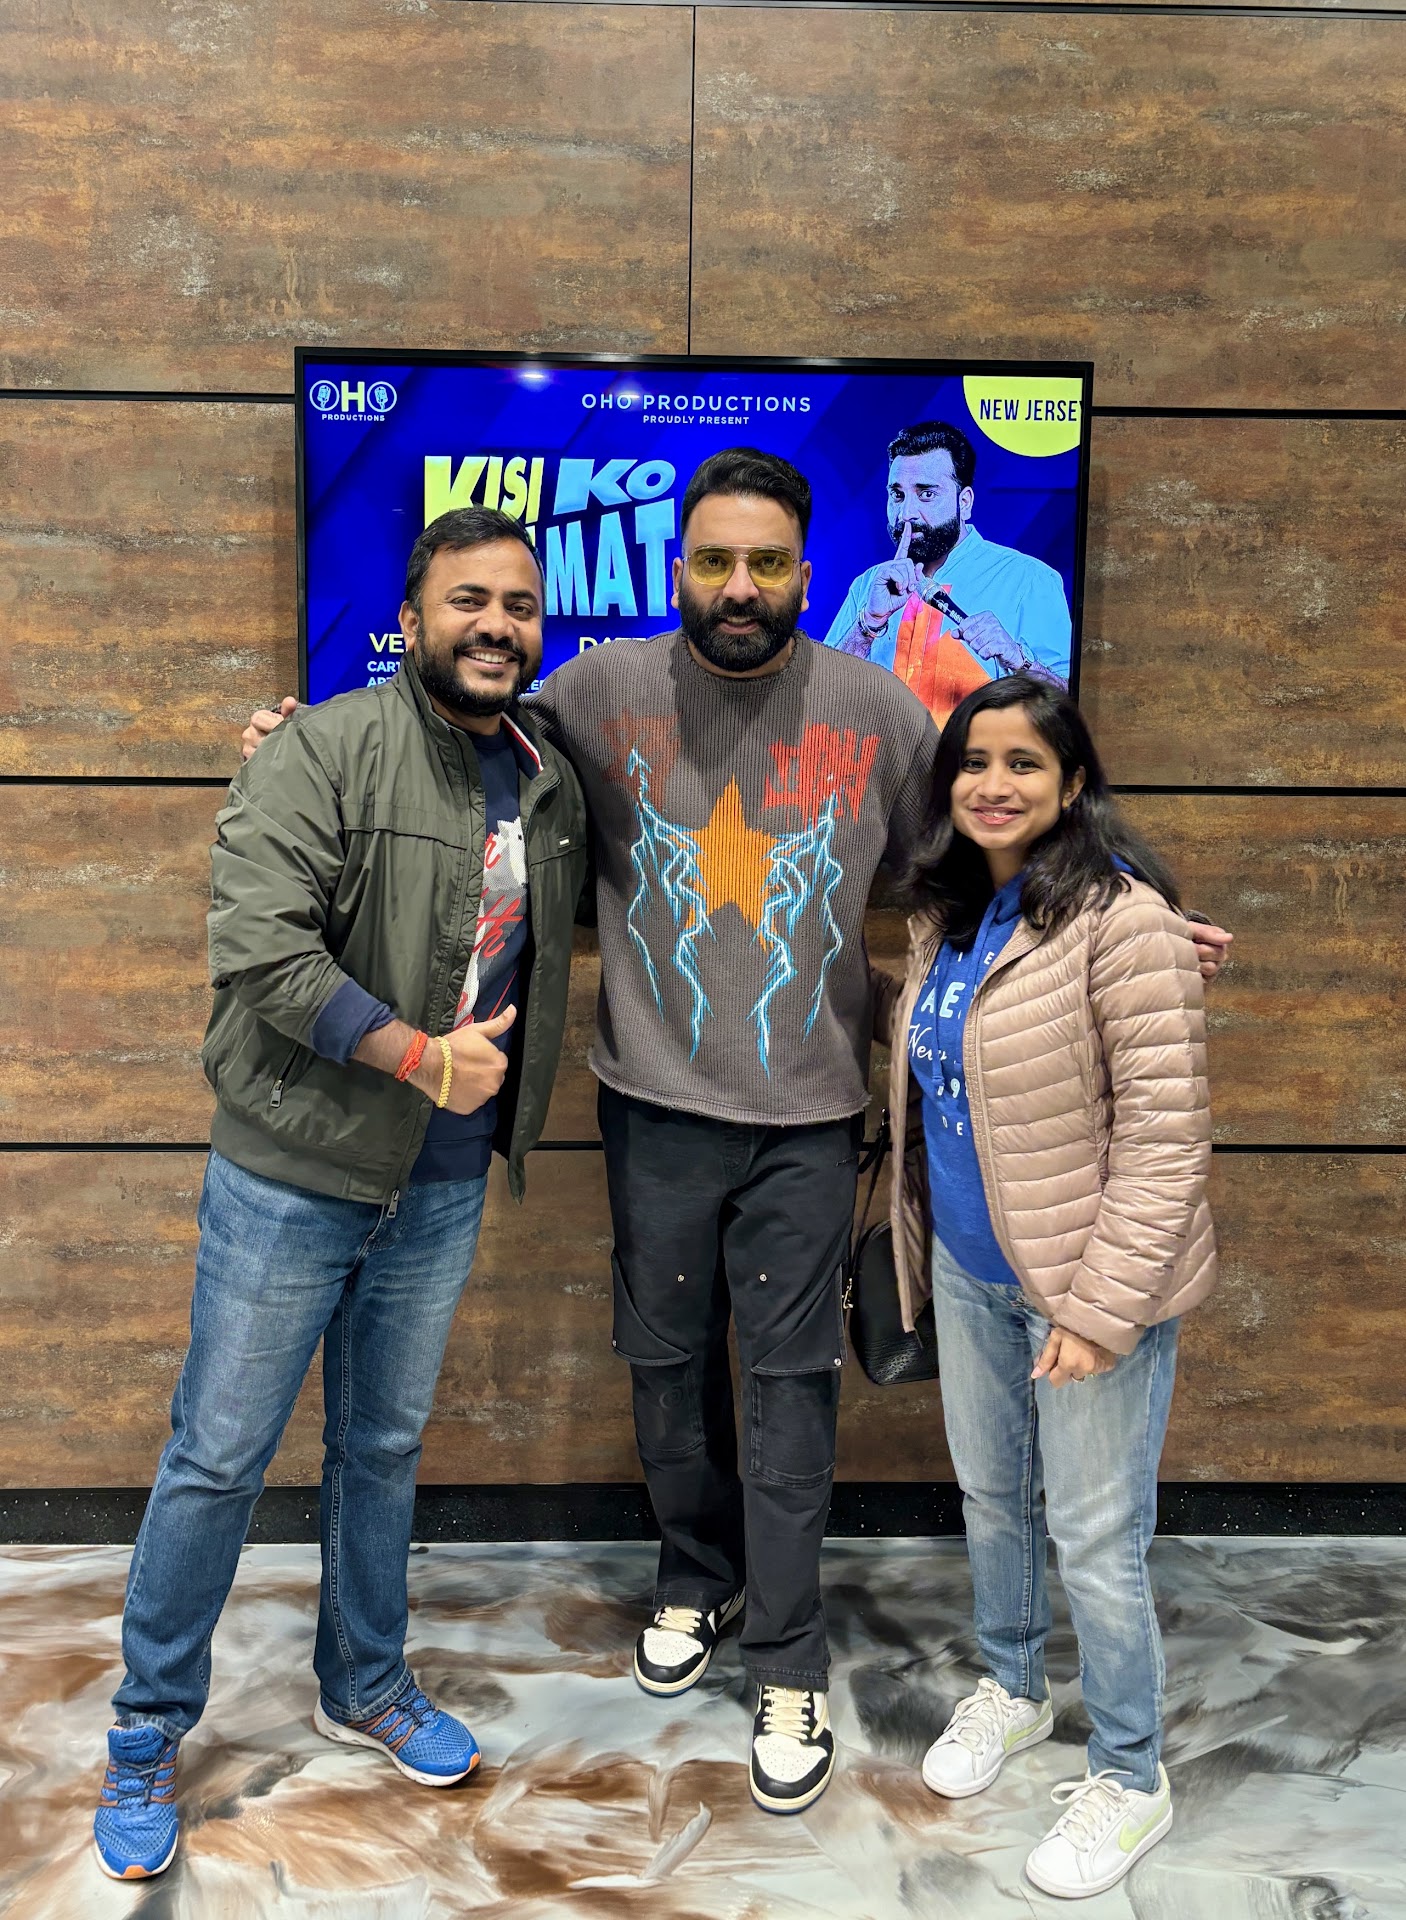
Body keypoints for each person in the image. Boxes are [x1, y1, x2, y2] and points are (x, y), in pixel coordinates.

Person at [242, 450, 1232, 1819]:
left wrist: (1121, 905)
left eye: (767, 563)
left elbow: (986, 842)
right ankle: (693, 1580)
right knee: (661, 1369)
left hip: (808, 1122)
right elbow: (444, 740)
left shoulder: (880, 710)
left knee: (785, 1390)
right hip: (648, 1105)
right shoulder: (592, 693)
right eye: (714, 561)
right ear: (678, 570)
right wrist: (303, 741)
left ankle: (786, 1659)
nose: (740, 586)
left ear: (805, 574)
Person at [92, 507, 587, 1881]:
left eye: (519, 604)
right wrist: (420, 1059)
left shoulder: (548, 776)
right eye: (468, 599)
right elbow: (259, 950)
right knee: (217, 1455)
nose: (496, 624)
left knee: (380, 1447)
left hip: (440, 1186)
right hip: (293, 1170)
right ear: (411, 619)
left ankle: (364, 1681)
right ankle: (146, 1730)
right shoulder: (321, 749)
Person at [874, 672, 1215, 1899]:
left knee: (1093, 1535)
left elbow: (1164, 1141)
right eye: (973, 762)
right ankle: (1012, 1688)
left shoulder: (1124, 922)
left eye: (1022, 762)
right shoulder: (949, 914)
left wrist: (1098, 1311)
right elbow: (951, 1052)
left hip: (1082, 1290)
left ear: (1071, 784)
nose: (992, 783)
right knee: (991, 1500)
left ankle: (1129, 1773)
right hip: (970, 1274)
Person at [824, 420, 1071, 721]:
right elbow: (822, 697)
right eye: (898, 495)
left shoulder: (1028, 579)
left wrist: (1019, 660)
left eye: (926, 494)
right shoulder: (868, 586)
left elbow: (1068, 707)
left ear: (964, 503)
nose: (906, 514)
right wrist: (868, 625)